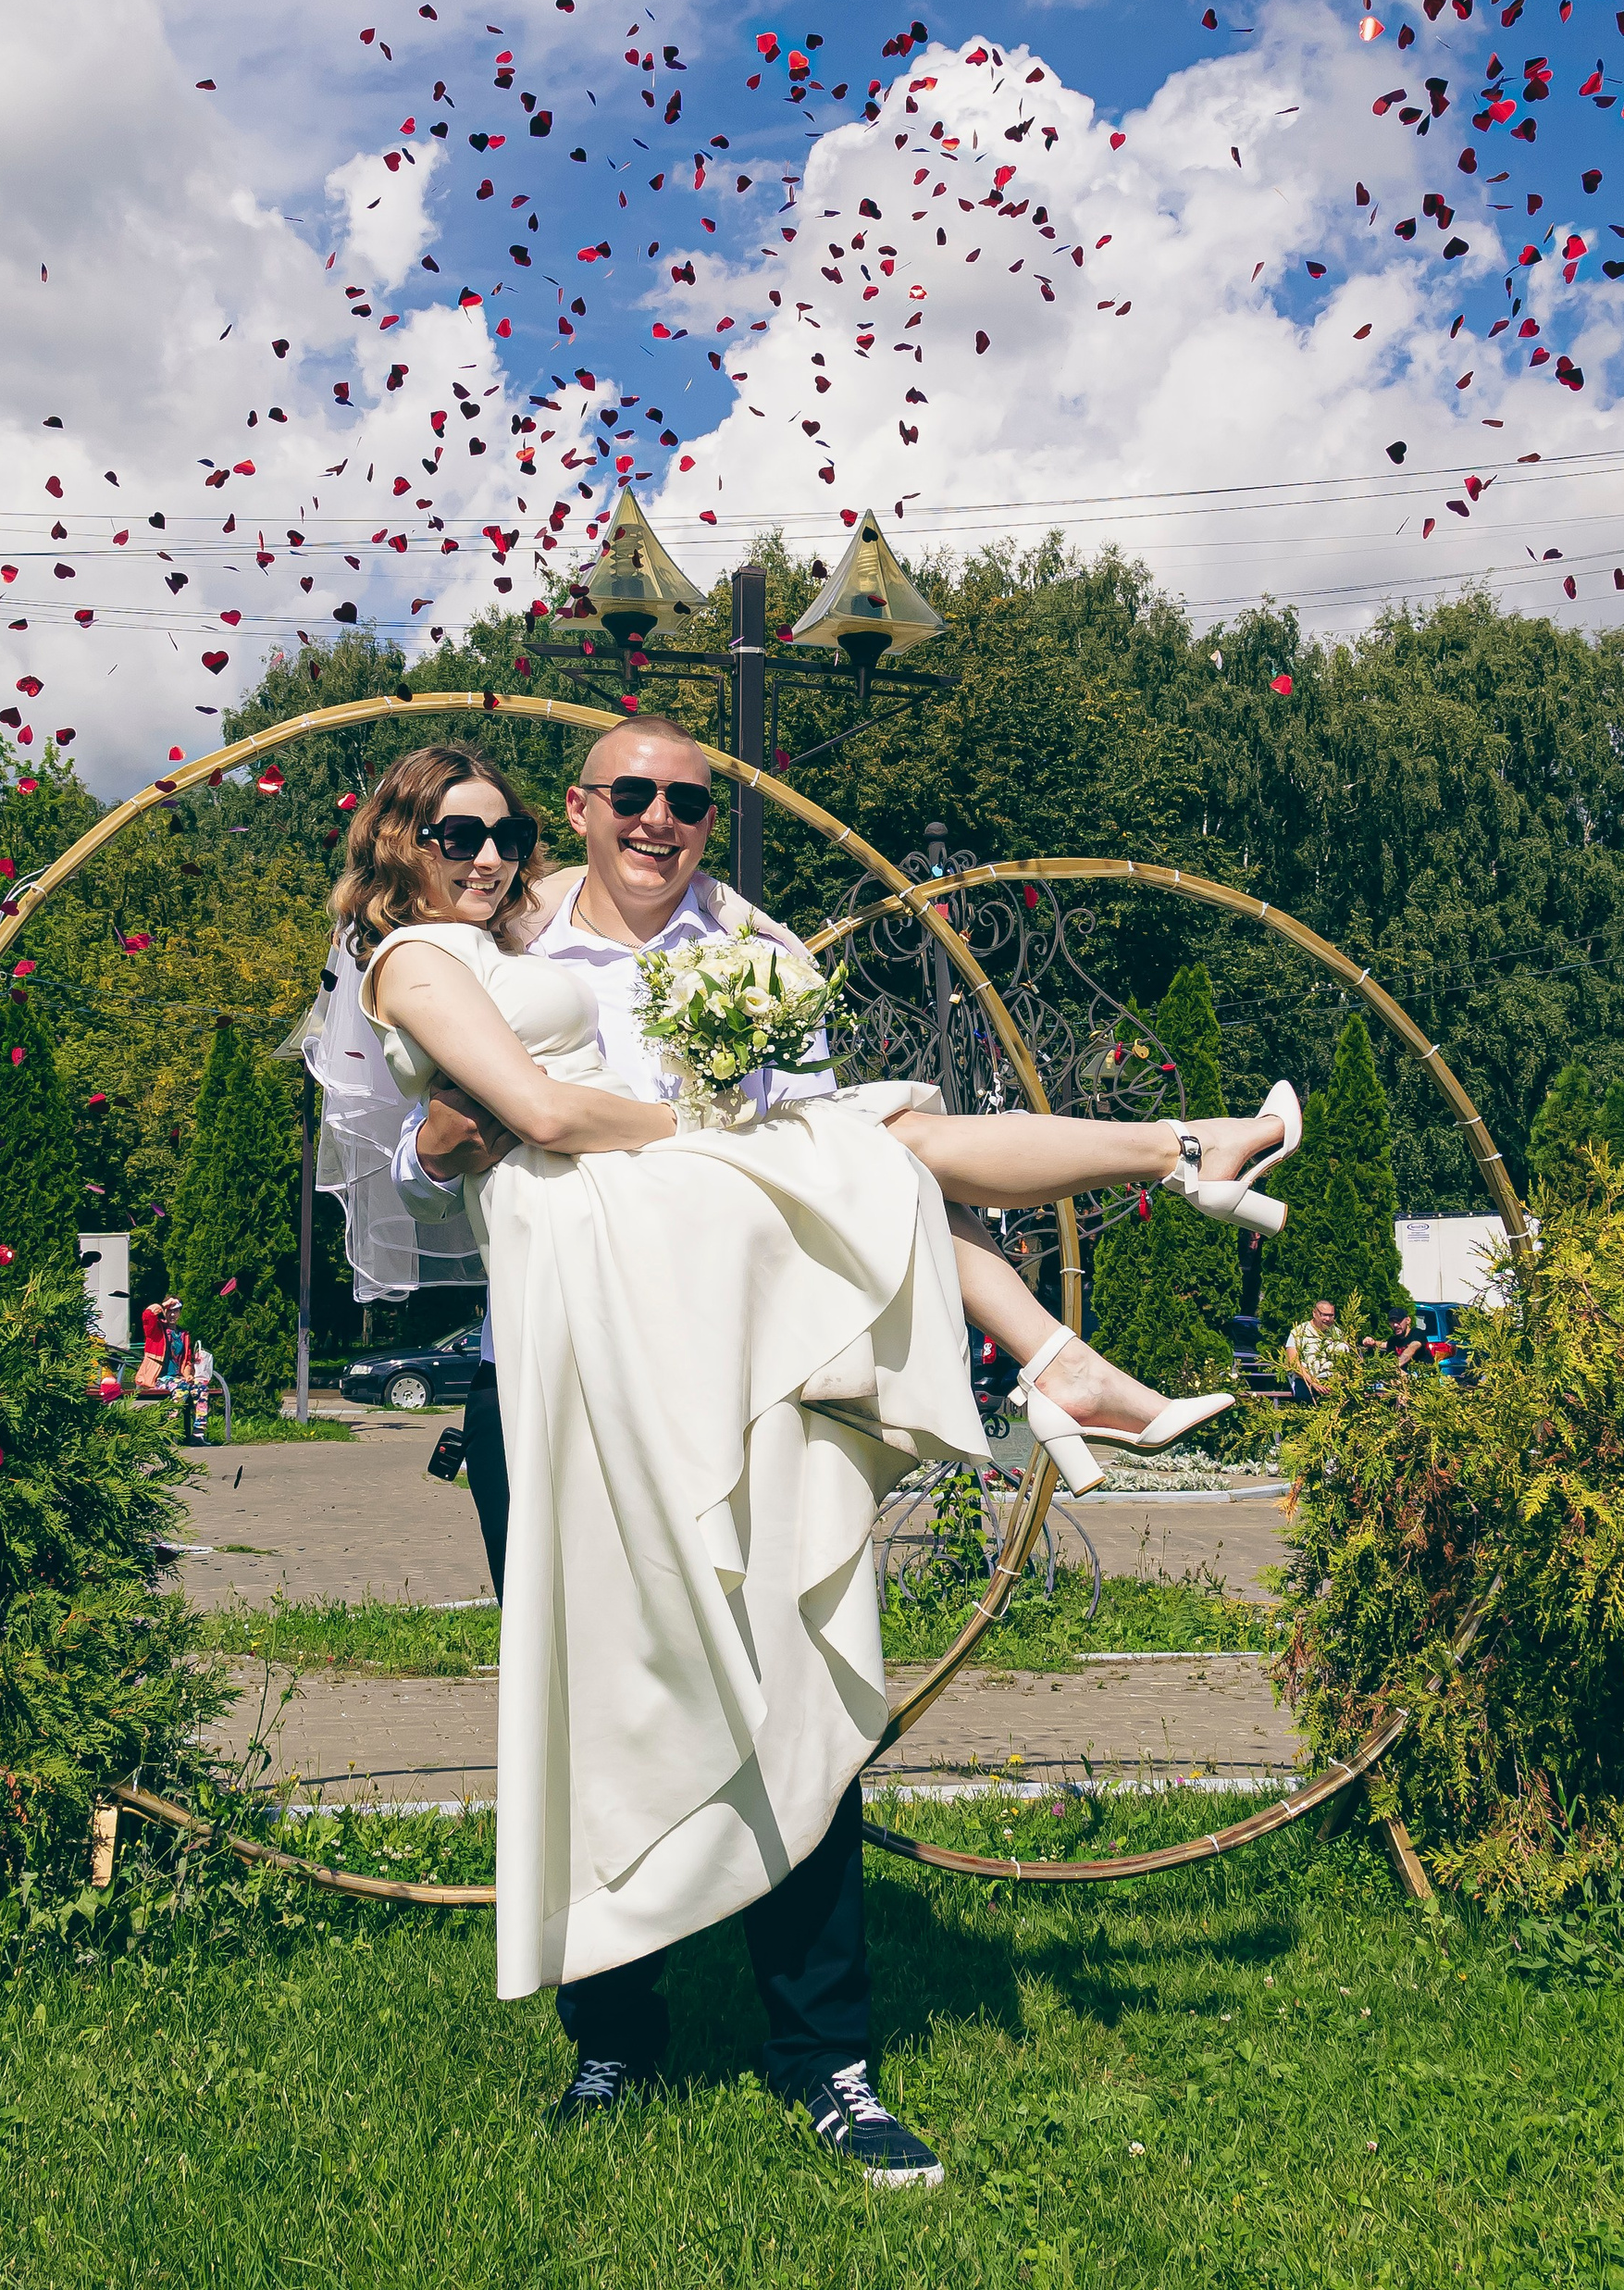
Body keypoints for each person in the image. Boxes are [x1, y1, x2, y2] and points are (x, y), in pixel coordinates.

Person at [338, 727, 1298, 2182]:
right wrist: (556, 1134)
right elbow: (435, 1136)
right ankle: (618, 2031)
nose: (659, 822)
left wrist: (753, 1130)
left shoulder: (752, 939)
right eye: (630, 799)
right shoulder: (495, 939)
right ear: (586, 818)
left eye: (689, 800)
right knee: (595, 1690)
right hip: (564, 1366)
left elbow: (825, 1140)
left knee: (795, 1668)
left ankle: (826, 2053)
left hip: (743, 1357)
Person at [134, 1296, 200, 1440]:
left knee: (200, 1389)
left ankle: (198, 1434)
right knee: (182, 1387)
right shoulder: (157, 1330)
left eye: (176, 1311)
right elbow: (147, 1315)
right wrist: (162, 1304)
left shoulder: (183, 1335)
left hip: (178, 1379)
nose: (172, 1315)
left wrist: (189, 1375)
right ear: (164, 1312)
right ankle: (168, 1427)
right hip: (158, 1379)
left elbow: (187, 1361)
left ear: (180, 1313)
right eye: (169, 1311)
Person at [1284, 1298, 1350, 1401]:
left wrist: (1337, 1380)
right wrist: (1313, 1382)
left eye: (1331, 1315)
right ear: (1314, 1313)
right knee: (1305, 1398)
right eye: (1324, 1315)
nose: (1328, 1319)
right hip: (1305, 1378)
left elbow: (1345, 1361)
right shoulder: (1298, 1333)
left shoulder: (1338, 1334)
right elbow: (1293, 1363)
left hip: (1332, 1379)